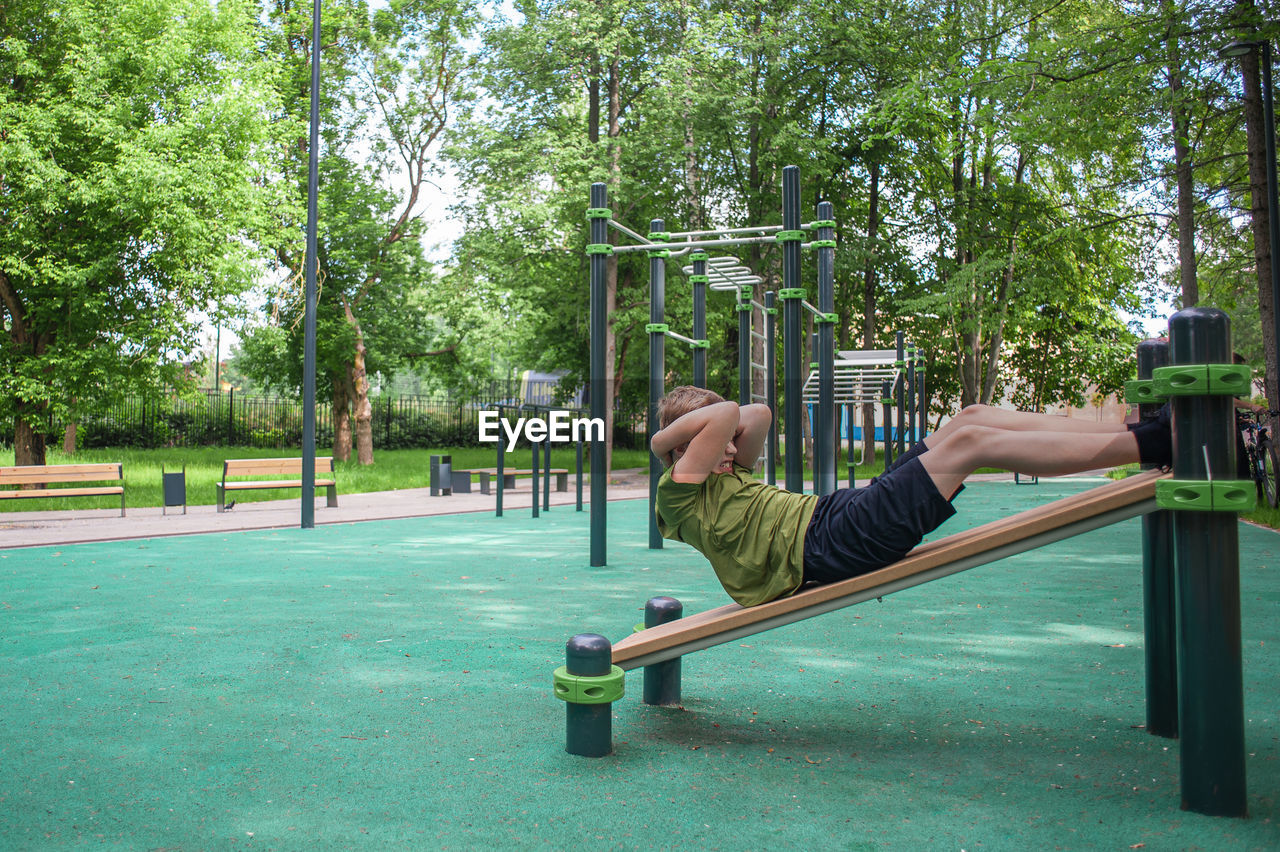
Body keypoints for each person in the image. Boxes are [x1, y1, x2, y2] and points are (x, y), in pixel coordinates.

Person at [651, 386, 1171, 608]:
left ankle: (1134, 430)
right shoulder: (679, 492)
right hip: (824, 548)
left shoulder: (725, 469)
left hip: (834, 516)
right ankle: (1153, 442)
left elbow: (756, 413)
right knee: (970, 445)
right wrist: (661, 443)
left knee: (970, 417)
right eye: (714, 445)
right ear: (682, 447)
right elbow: (728, 415)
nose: (729, 450)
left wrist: (710, 437)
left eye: (726, 445)